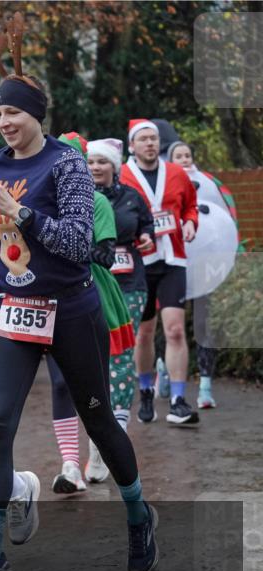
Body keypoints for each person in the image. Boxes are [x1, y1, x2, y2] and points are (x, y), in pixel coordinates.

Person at [0, 72, 157, 571]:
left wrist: (20, 211)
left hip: (69, 309)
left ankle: (138, 514)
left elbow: (74, 241)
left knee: (97, 417)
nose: (4, 123)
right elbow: (1, 232)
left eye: (13, 113)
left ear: (36, 115)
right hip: (13, 308)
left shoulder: (66, 163)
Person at [43, 133, 139, 493]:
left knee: (100, 381)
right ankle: (70, 465)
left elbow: (106, 255)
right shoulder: (42, 199)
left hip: (94, 294)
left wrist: (59, 243)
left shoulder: (97, 201)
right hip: (50, 295)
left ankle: (99, 453)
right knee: (59, 382)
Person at [82, 137, 154, 481]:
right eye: (91, 161)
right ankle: (100, 438)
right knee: (97, 357)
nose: (96, 167)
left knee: (122, 352)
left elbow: (149, 226)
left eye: (102, 162)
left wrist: (147, 237)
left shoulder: (131, 198)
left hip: (128, 284)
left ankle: (119, 425)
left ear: (114, 166)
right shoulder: (74, 198)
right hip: (90, 284)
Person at [119, 120, 199, 426]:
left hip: (173, 258)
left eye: (154, 139)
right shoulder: (123, 175)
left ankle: (178, 399)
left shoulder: (177, 173)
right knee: (144, 333)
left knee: (176, 329)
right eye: (143, 139)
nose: (150, 144)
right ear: (133, 145)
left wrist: (191, 222)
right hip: (140, 262)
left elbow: (190, 206)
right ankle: (146, 390)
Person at [166, 140, 240, 409]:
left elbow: (227, 216)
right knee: (170, 325)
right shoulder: (163, 184)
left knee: (204, 324)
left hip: (205, 264)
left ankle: (205, 386)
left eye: (187, 154)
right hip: (172, 263)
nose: (184, 159)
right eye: (178, 155)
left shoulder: (210, 183)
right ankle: (166, 371)